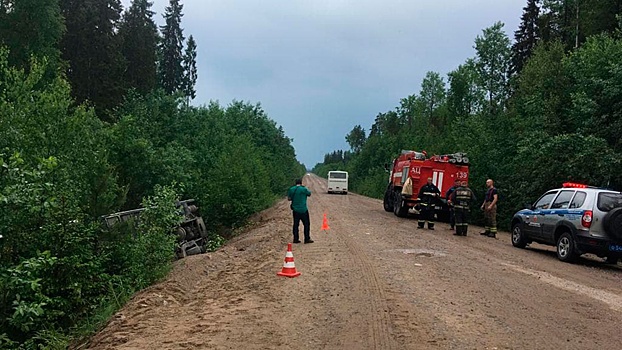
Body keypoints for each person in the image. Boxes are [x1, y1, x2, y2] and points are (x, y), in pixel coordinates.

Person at [287, 178, 313, 244]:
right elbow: (309, 194)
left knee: (296, 225)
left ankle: (296, 239)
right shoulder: (304, 189)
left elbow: (289, 199)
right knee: (306, 224)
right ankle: (306, 239)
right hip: (304, 209)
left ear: (295, 183)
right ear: (301, 182)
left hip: (295, 210)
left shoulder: (292, 189)